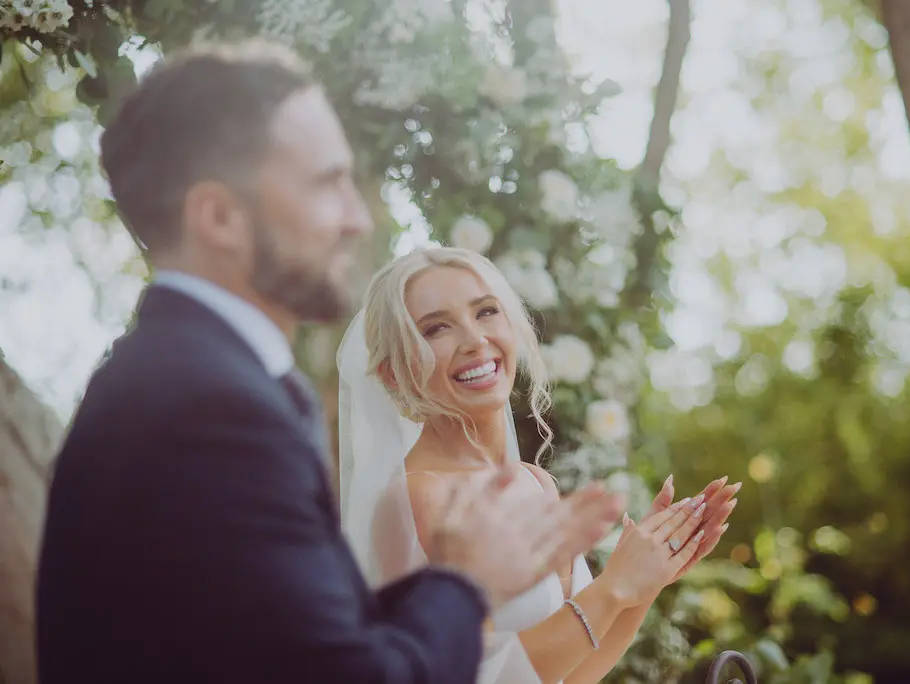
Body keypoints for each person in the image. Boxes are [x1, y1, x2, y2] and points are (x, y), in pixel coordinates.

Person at [34, 40, 626, 684]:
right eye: (326, 183)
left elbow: (289, 643)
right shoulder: (207, 406)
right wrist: (465, 582)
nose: (352, 218)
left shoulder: (184, 378)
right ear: (220, 216)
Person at [337, 247, 742, 683]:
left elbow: (573, 675)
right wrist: (615, 585)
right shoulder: (418, 496)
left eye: (486, 311)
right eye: (436, 328)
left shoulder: (536, 482)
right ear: (394, 374)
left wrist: (646, 581)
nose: (475, 340)